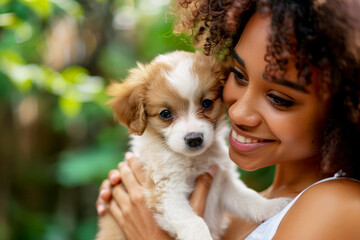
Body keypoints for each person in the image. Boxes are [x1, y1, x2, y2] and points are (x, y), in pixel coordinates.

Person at [96, 0, 360, 239]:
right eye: (239, 75)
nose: (236, 112)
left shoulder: (338, 206)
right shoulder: (233, 209)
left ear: (346, 108)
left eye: (280, 98)